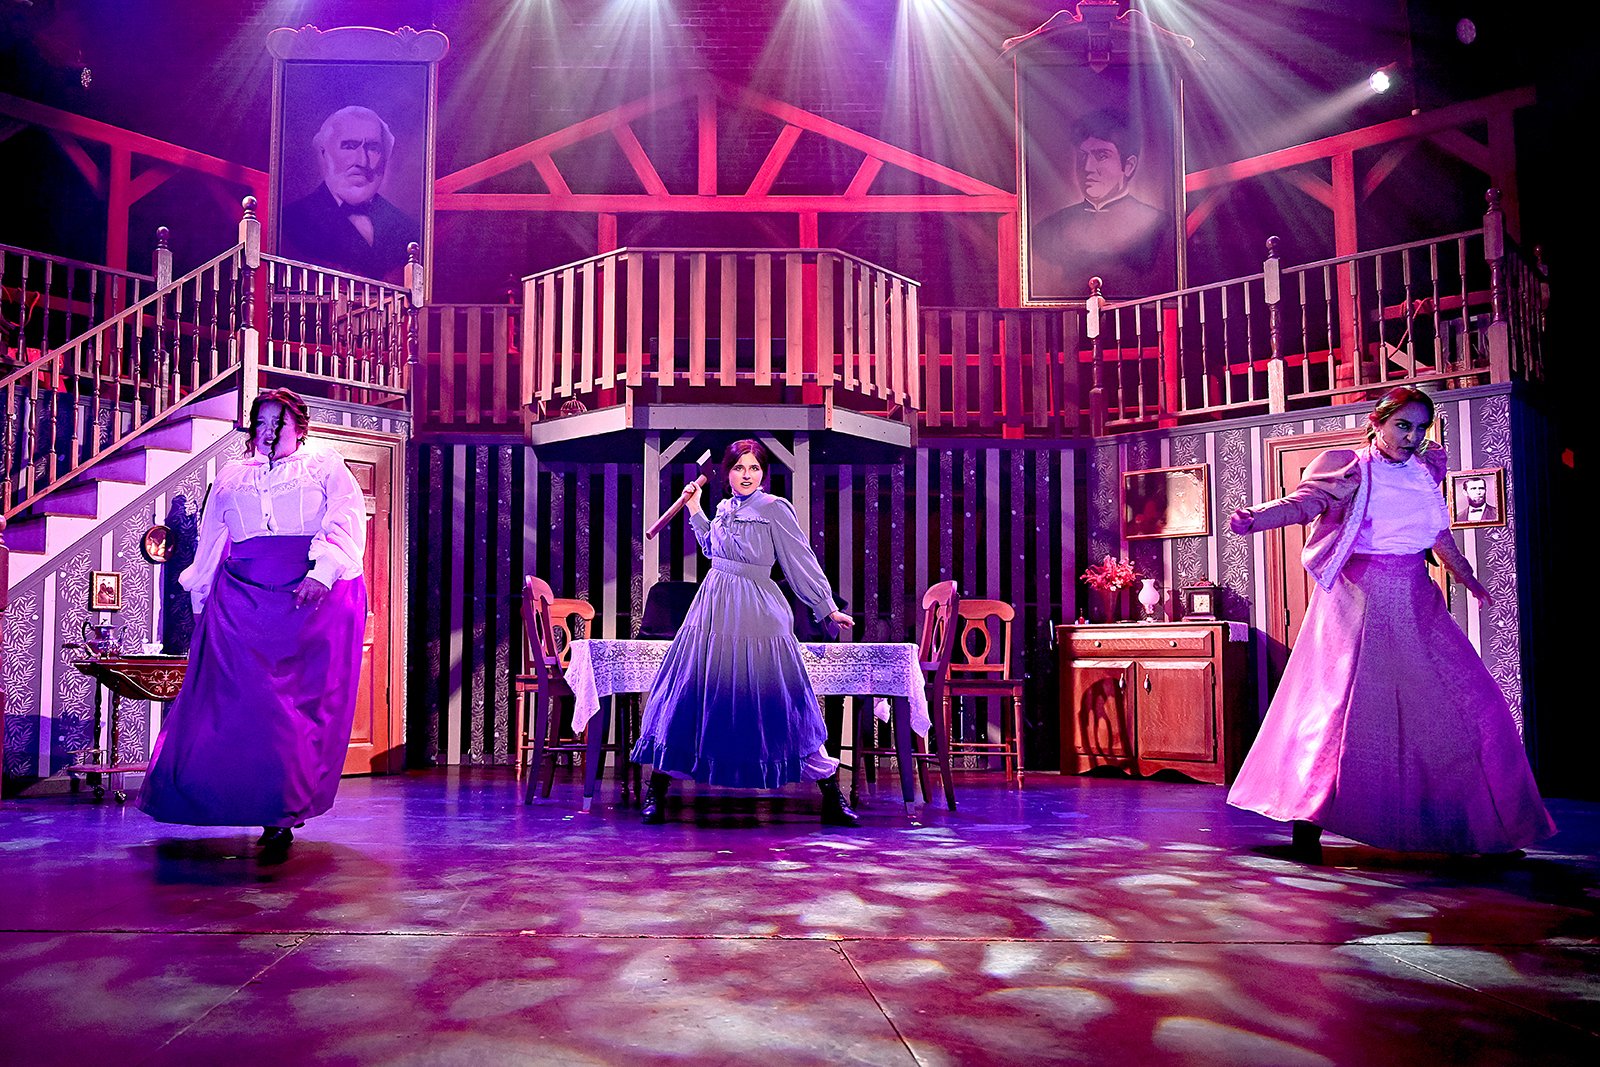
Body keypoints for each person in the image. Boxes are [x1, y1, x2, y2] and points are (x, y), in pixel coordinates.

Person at [1225, 386, 1553, 860]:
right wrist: (1255, 518)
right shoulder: (1352, 468)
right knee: (1338, 706)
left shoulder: (1425, 470)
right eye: (1403, 425)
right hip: (1357, 597)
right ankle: (1307, 823)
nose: (1413, 436)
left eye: (1421, 428)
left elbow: (1436, 532)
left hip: (1415, 595)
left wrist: (1468, 578)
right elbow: (1304, 503)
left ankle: (1483, 828)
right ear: (1377, 423)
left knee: (1463, 701)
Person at [137, 388, 368, 855]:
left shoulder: (324, 466)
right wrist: (201, 595)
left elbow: (345, 519)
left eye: (277, 422)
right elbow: (212, 536)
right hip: (240, 599)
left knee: (290, 709)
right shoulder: (231, 476)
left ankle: (280, 808)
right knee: (245, 705)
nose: (268, 432)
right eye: (260, 423)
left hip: (303, 596)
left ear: (299, 425)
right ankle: (237, 799)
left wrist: (322, 572)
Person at [631, 440, 859, 827]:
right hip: (713, 607)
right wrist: (694, 508)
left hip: (757, 608)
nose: (747, 475)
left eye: (754, 468)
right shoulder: (723, 508)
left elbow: (799, 559)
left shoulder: (775, 509)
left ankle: (831, 794)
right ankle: (659, 788)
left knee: (783, 699)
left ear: (763, 473)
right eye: (739, 468)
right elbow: (711, 549)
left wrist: (827, 606)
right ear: (728, 473)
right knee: (691, 693)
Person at [1030, 109, 1175, 300]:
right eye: (1083, 156)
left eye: (1102, 156)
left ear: (1128, 166)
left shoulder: (1161, 225)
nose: (1088, 168)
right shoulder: (1048, 228)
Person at [280, 105, 419, 284]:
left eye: (373, 148)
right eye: (349, 146)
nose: (362, 161)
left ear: (385, 158)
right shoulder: (291, 220)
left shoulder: (407, 228)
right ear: (324, 154)